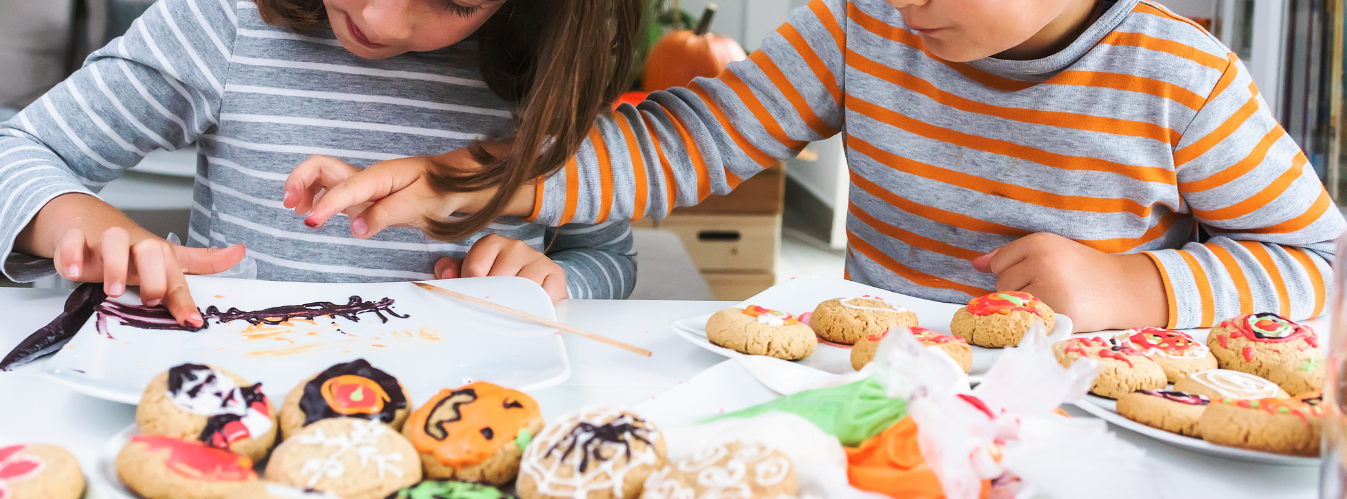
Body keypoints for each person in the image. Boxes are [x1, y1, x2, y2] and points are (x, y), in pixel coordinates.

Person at [292, 0, 1347, 332]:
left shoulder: (1185, 79)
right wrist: (469, 178)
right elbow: (683, 137)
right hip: (886, 394)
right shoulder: (865, 27)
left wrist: (1142, 284)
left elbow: (1318, 261)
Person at [1, 0, 644, 326]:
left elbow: (606, 258)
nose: (379, 18)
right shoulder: (224, 23)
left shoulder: (551, 77)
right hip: (235, 404)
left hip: (464, 415)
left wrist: (554, 284)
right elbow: (20, 149)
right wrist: (74, 224)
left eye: (455, 1)